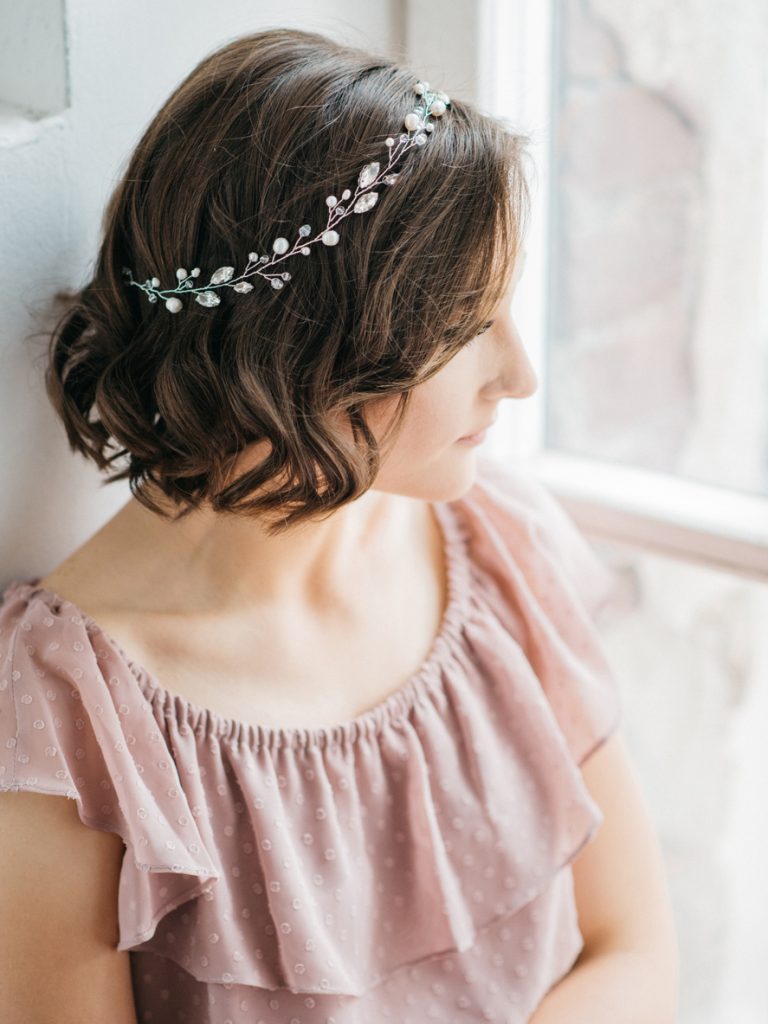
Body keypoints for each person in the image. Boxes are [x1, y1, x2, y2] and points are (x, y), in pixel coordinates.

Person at [0, 26, 678, 1024]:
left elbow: (636, 948)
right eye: (463, 330)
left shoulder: (497, 549)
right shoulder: (69, 723)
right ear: (304, 352)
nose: (519, 377)